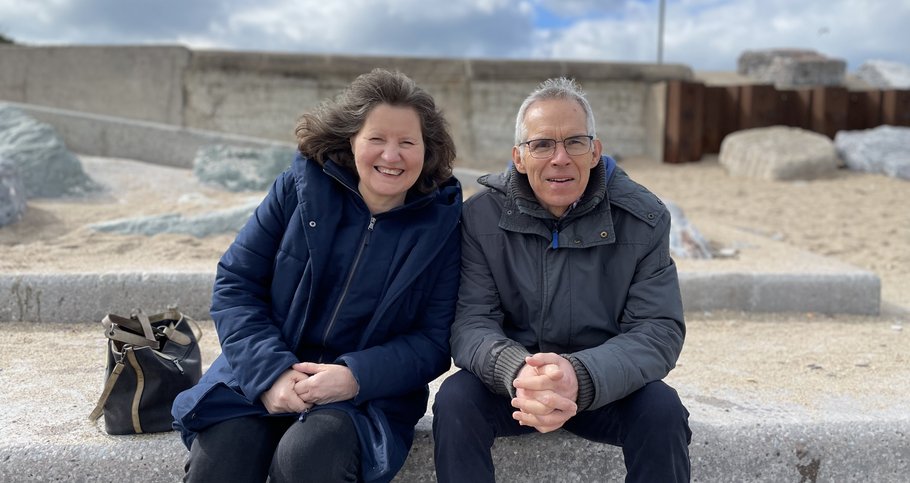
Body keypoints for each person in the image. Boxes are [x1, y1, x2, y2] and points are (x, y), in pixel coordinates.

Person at [171, 68, 462, 483]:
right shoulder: (299, 188)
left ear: (427, 149)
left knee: (308, 460)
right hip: (259, 375)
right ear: (352, 140)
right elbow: (236, 285)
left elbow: (433, 342)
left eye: (407, 143)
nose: (391, 155)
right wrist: (272, 374)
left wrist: (354, 377)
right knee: (224, 458)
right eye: (376, 139)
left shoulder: (444, 226)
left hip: (362, 400)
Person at [432, 77, 691, 482]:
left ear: (595, 151)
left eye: (574, 142)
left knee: (663, 410)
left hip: (604, 384)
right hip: (514, 385)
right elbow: (471, 322)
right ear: (519, 157)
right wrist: (517, 370)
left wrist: (580, 375)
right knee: (455, 401)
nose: (560, 158)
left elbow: (658, 329)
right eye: (542, 145)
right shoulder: (480, 217)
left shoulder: (644, 217)